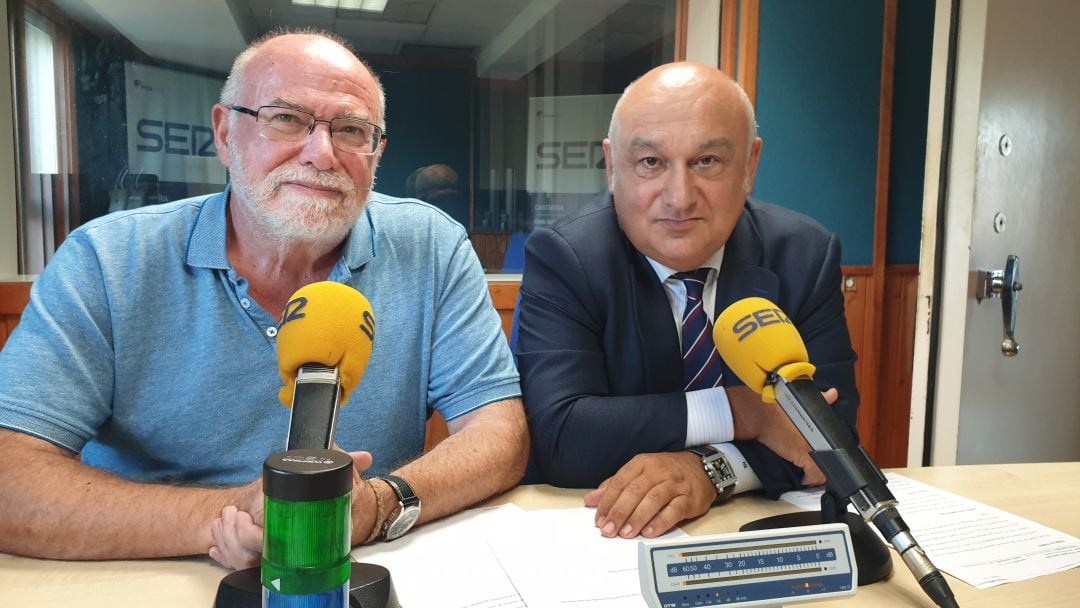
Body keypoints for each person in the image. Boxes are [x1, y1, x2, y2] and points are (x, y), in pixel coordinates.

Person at [0, 31, 528, 569]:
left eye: (351, 131)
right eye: (286, 119)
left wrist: (376, 504)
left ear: (376, 155)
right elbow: (9, 475)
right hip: (148, 569)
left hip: (351, 566)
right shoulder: (108, 260)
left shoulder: (431, 246)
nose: (322, 154)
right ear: (225, 133)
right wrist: (229, 515)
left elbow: (498, 433)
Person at [515, 62, 857, 540]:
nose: (679, 198)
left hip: (751, 535)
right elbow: (561, 435)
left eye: (707, 162)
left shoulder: (804, 254)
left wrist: (712, 470)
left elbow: (829, 433)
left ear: (750, 165)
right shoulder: (566, 256)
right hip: (600, 538)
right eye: (651, 163)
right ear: (613, 167)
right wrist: (747, 413)